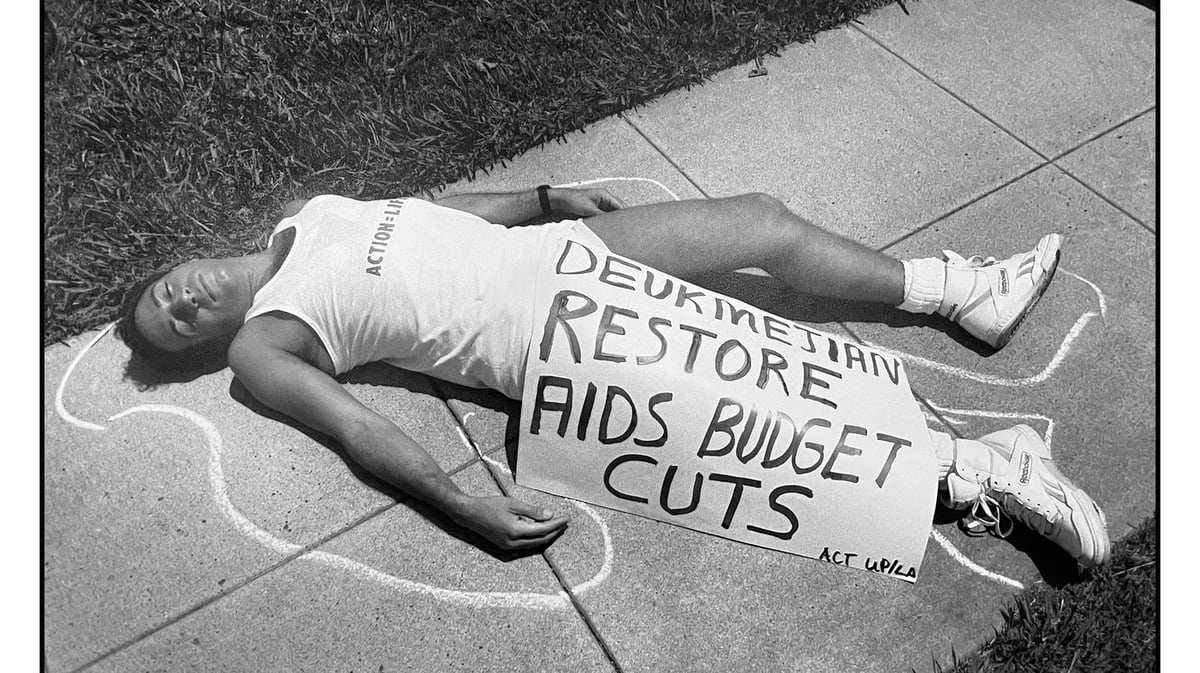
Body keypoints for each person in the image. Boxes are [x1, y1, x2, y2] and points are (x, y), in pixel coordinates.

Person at [116, 186, 1111, 567]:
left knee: (759, 223)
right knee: (768, 384)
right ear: (203, 347)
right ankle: (984, 467)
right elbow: (355, 429)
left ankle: (957, 292)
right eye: (176, 325)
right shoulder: (262, 347)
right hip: (548, 332)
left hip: (556, 248)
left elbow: (435, 211)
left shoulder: (308, 213)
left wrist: (544, 195)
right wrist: (460, 502)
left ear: (180, 260)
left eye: (165, 289)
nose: (185, 300)